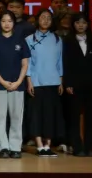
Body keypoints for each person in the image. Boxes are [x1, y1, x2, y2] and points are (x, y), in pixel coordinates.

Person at [0, 11, 30, 159]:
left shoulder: (20, 41)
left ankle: (15, 147)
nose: (6, 24)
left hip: (17, 85)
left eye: (10, 21)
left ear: (14, 23)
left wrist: (18, 82)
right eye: (4, 21)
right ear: (0, 23)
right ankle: (2, 147)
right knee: (0, 116)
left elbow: (25, 64)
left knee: (16, 116)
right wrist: (3, 82)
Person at [26, 9, 64, 157]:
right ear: (37, 20)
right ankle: (39, 145)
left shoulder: (57, 39)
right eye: (43, 17)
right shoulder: (29, 39)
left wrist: (60, 81)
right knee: (36, 115)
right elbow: (28, 63)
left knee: (50, 115)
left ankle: (48, 145)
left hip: (53, 82)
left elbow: (60, 62)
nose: (46, 20)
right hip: (36, 82)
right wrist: (29, 81)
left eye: (49, 17)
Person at [63, 12, 92, 157]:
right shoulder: (68, 41)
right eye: (78, 22)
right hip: (74, 84)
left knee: (91, 116)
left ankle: (89, 147)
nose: (80, 25)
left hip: (91, 83)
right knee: (74, 116)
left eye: (84, 22)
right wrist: (68, 82)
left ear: (88, 24)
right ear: (73, 24)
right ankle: (77, 147)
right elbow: (65, 63)